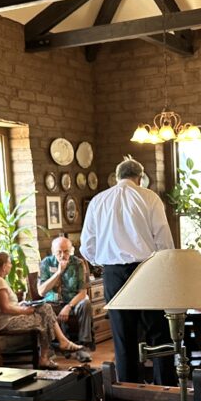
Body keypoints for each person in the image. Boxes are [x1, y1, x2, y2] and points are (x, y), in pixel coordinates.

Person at [80, 156, 177, 385]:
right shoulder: (149, 197)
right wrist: (166, 267)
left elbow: (87, 245)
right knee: (158, 332)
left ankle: (130, 389)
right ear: (140, 178)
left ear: (117, 176)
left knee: (123, 336)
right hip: (146, 270)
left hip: (113, 274)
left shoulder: (98, 201)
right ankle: (165, 387)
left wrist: (106, 262)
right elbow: (163, 238)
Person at [0, 250, 85, 370]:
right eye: (9, 263)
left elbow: (7, 304)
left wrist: (22, 304)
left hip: (11, 317)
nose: (11, 265)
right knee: (45, 319)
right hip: (7, 322)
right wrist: (24, 311)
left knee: (45, 308)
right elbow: (6, 308)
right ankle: (47, 355)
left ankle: (53, 350)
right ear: (4, 266)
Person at [38, 236, 94, 362]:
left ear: (71, 250)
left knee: (86, 303)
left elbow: (83, 292)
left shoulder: (78, 263)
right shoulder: (46, 263)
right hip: (52, 304)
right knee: (44, 308)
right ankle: (52, 349)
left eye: (66, 251)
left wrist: (69, 306)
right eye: (59, 252)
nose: (63, 255)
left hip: (72, 302)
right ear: (53, 251)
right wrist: (58, 272)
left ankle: (83, 346)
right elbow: (41, 291)